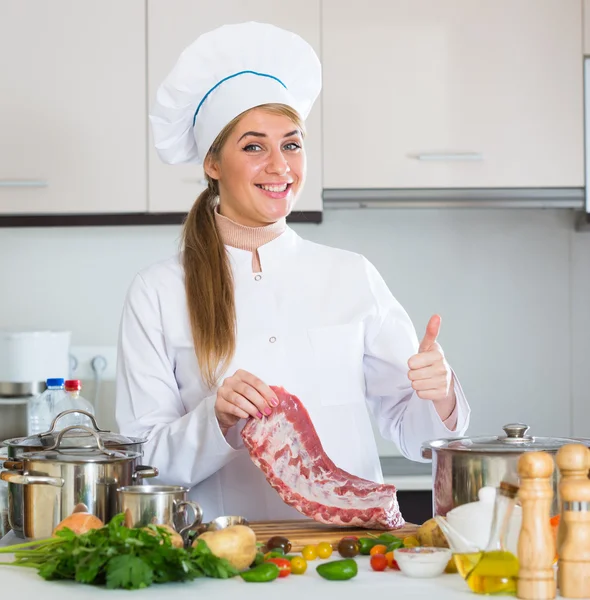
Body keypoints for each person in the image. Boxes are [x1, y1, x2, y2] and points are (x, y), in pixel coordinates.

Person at [116, 21, 470, 522]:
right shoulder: (158, 291)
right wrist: (213, 419)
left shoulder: (352, 275)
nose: (280, 166)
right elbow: (142, 465)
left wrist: (441, 391)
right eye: (254, 146)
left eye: (293, 143)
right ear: (213, 162)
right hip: (223, 562)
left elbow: (419, 439)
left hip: (351, 559)